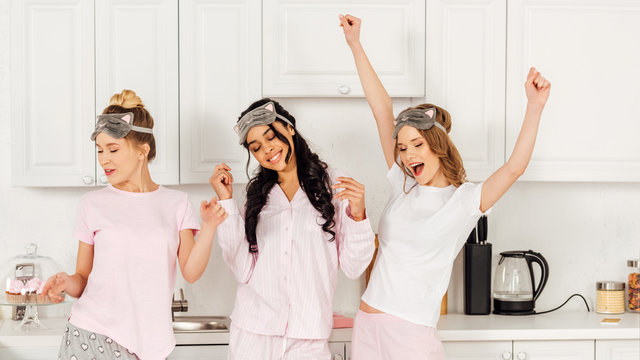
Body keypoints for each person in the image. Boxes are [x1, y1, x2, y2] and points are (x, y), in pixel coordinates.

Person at [339, 14, 551, 359]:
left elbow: (514, 168)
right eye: (403, 147)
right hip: (367, 325)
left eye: (417, 145)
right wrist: (355, 44)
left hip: (411, 334)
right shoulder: (402, 183)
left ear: (437, 146)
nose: (407, 155)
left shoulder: (464, 201)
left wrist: (535, 107)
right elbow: (381, 110)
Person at [41, 90, 227, 359]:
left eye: (113, 150)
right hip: (92, 334)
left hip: (149, 342)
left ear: (143, 150)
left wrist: (209, 228)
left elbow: (191, 272)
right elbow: (82, 279)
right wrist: (66, 282)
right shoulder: (92, 203)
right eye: (100, 150)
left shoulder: (176, 203)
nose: (104, 159)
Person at [209, 98, 375, 359]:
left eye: (271, 136)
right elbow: (242, 270)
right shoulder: (257, 197)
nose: (267, 149)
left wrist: (358, 215)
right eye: (256, 147)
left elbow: (354, 267)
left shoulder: (333, 184)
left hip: (308, 335)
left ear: (290, 128)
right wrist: (226, 202)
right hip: (253, 334)